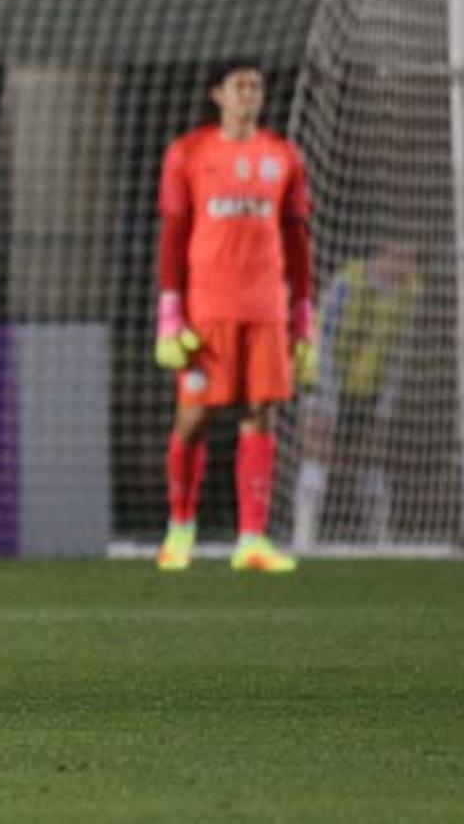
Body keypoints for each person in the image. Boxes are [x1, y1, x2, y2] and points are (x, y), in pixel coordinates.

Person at [154, 59, 315, 574]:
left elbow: (295, 241)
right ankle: (180, 529)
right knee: (195, 417)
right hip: (208, 309)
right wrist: (169, 314)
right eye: (239, 86)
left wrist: (302, 317)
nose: (249, 94)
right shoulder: (189, 154)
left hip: (264, 306)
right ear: (217, 94)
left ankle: (251, 539)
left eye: (256, 86)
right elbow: (175, 234)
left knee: (260, 412)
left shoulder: (282, 157)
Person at [292, 242, 420, 551]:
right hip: (325, 379)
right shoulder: (348, 283)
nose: (407, 268)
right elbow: (324, 336)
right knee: (318, 450)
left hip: (368, 389)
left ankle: (380, 541)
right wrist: (326, 400)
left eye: (412, 260)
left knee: (372, 460)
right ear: (381, 255)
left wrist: (385, 408)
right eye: (401, 258)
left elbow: (399, 355)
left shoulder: (410, 293)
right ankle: (303, 538)